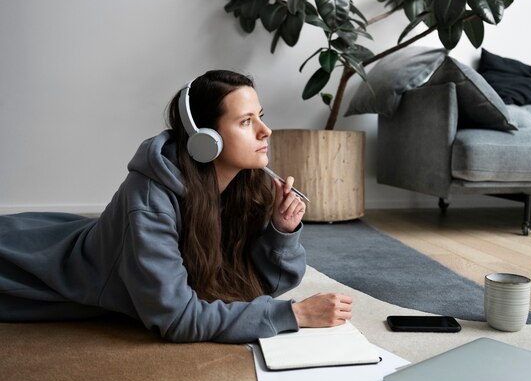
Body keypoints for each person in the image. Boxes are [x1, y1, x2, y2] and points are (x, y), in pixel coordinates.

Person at [0, 69, 353, 343]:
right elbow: (177, 318)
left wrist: (281, 231)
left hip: (64, 234)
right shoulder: (150, 202)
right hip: (27, 268)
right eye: (246, 122)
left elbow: (254, 287)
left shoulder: (244, 184)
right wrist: (294, 315)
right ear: (206, 141)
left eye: (260, 116)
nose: (266, 131)